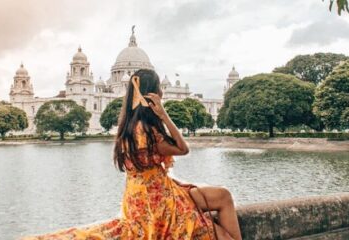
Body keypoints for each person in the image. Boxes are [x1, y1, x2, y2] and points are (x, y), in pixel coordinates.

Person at [21, 69, 242, 240]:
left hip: (137, 198)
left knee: (220, 198)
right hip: (161, 203)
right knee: (223, 200)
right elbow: (183, 149)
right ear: (152, 93)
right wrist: (164, 114)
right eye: (159, 89)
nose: (163, 93)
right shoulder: (148, 132)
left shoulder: (127, 126)